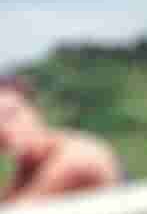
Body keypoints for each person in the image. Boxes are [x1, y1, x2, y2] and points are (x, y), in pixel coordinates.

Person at [0, 76, 122, 205]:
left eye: (10, 114)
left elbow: (17, 212)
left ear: (35, 110)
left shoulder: (79, 155)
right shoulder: (28, 167)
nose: (5, 128)